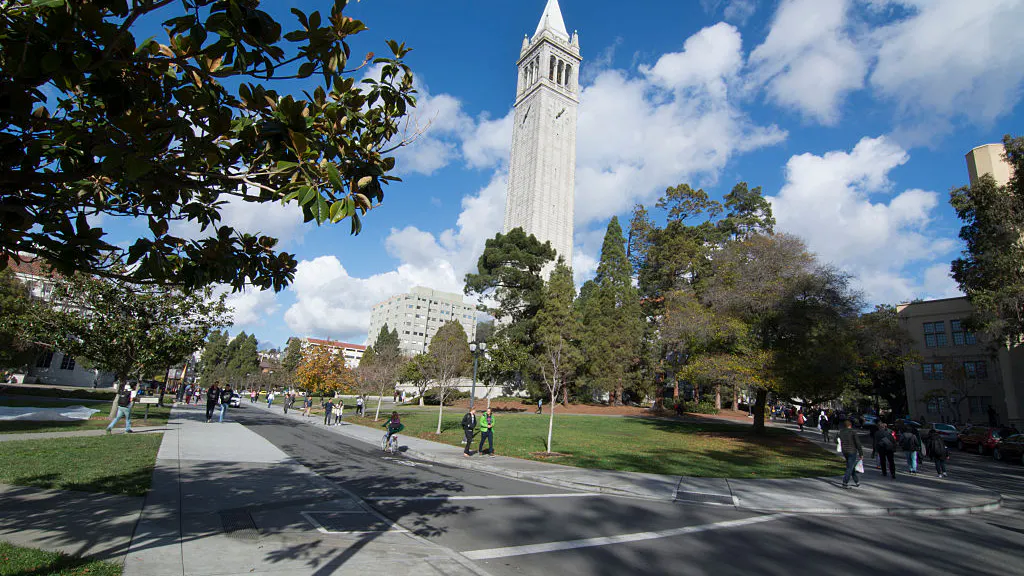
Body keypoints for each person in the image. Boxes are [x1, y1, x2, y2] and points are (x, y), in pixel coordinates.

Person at [838, 419, 863, 488]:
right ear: (850, 425)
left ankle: (856, 481)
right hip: (852, 451)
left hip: (845, 451)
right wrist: (861, 453)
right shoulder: (853, 432)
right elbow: (858, 443)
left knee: (851, 466)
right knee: (850, 467)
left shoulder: (841, 432)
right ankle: (845, 482)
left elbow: (835, 440)